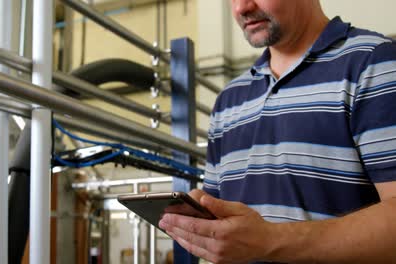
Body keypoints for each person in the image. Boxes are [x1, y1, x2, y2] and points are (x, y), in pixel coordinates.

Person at [158, 0, 396, 263]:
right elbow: (221, 225)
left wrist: (269, 240)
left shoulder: (374, 64)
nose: (241, 8)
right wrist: (201, 215)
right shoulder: (229, 100)